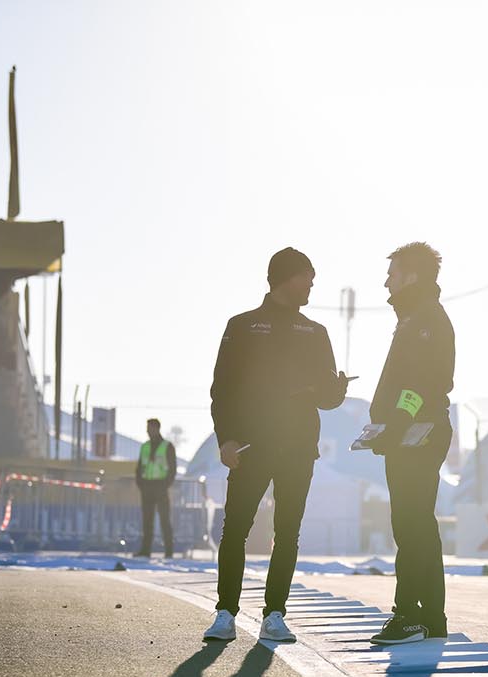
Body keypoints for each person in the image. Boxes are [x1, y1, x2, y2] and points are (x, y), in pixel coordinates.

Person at [204, 247, 349, 643]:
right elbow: (222, 389)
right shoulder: (244, 325)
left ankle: (275, 614)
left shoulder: (315, 331)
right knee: (235, 531)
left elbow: (326, 397)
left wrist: (335, 391)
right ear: (285, 278)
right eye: (307, 278)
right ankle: (225, 614)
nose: (312, 286)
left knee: (288, 533)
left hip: (299, 445)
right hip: (251, 445)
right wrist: (226, 439)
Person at [366, 242, 455, 645]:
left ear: (413, 277)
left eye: (394, 273)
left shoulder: (424, 321)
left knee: (411, 525)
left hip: (417, 435)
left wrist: (397, 424)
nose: (387, 281)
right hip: (413, 433)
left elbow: (421, 384)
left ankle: (410, 617)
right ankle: (430, 618)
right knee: (418, 524)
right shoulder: (416, 318)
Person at [134, 417, 177, 558]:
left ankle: (169, 552)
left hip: (161, 487)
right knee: (147, 521)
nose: (147, 431)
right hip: (147, 486)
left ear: (156, 428)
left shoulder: (167, 446)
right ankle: (145, 551)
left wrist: (165, 485)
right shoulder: (145, 446)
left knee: (165, 520)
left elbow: (172, 469)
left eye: (149, 428)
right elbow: (140, 467)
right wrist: (140, 483)